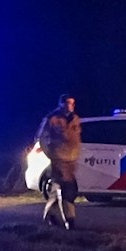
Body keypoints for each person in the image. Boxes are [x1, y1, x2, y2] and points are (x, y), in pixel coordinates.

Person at [36, 93, 82, 229]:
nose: (70, 106)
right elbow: (42, 139)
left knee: (57, 189)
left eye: (72, 103)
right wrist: (51, 154)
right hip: (59, 159)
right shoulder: (52, 119)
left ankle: (49, 215)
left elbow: (76, 137)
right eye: (67, 103)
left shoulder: (75, 119)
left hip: (72, 159)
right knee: (68, 189)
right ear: (60, 104)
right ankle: (70, 220)